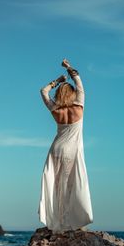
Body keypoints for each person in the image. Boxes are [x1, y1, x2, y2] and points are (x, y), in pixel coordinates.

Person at [38, 58, 93, 233]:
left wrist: (57, 81)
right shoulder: (79, 106)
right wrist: (68, 67)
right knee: (71, 185)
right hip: (70, 150)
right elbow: (79, 81)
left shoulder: (56, 109)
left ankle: (58, 222)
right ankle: (70, 223)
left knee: (56, 185)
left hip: (56, 149)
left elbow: (43, 91)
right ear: (72, 94)